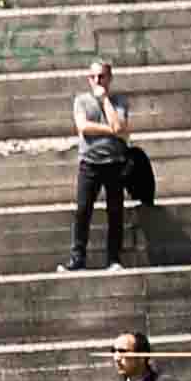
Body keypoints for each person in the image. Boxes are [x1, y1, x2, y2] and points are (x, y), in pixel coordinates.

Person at [65, 62, 142, 272]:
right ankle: (77, 259)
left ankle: (113, 259)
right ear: (89, 79)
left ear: (110, 78)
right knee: (83, 211)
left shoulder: (119, 101)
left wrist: (105, 100)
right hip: (89, 163)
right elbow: (84, 127)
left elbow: (119, 125)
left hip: (114, 163)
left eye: (102, 76)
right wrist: (112, 130)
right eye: (94, 77)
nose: (97, 81)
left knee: (115, 213)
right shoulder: (81, 100)